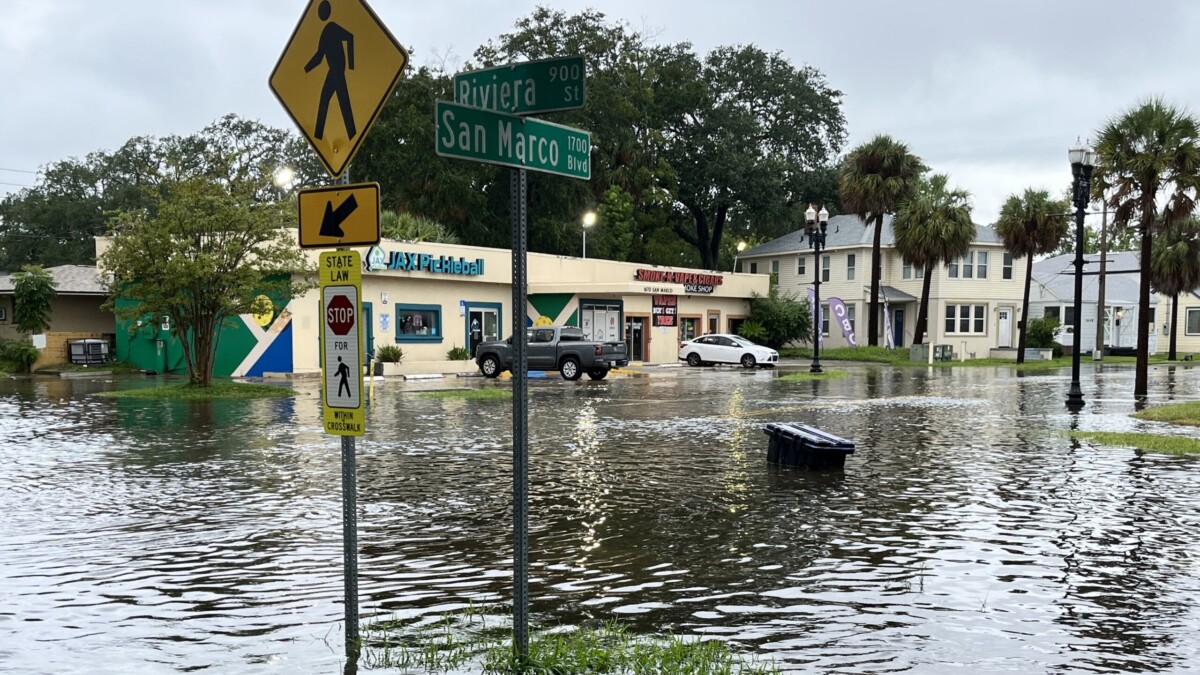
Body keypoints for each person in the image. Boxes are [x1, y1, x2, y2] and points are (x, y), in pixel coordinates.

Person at [305, 0, 356, 140]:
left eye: (322, 10)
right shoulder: (324, 33)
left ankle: (319, 135)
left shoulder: (332, 28)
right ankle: (349, 134)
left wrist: (351, 65)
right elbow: (319, 57)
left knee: (329, 100)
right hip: (333, 70)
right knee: (340, 102)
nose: (320, 13)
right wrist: (304, 70)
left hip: (337, 70)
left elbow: (350, 37)